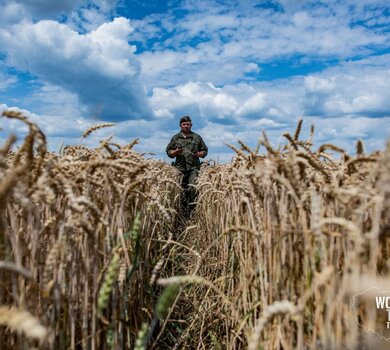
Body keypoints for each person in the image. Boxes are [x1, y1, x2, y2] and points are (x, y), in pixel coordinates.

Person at [166, 116, 208, 216]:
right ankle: (181, 212)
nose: (186, 126)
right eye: (184, 124)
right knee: (180, 190)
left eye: (188, 124)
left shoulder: (197, 137)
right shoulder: (175, 138)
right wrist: (175, 152)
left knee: (193, 189)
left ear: (191, 125)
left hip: (193, 168)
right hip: (179, 168)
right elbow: (168, 152)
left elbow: (205, 150)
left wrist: (199, 154)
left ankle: (192, 212)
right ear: (180, 125)